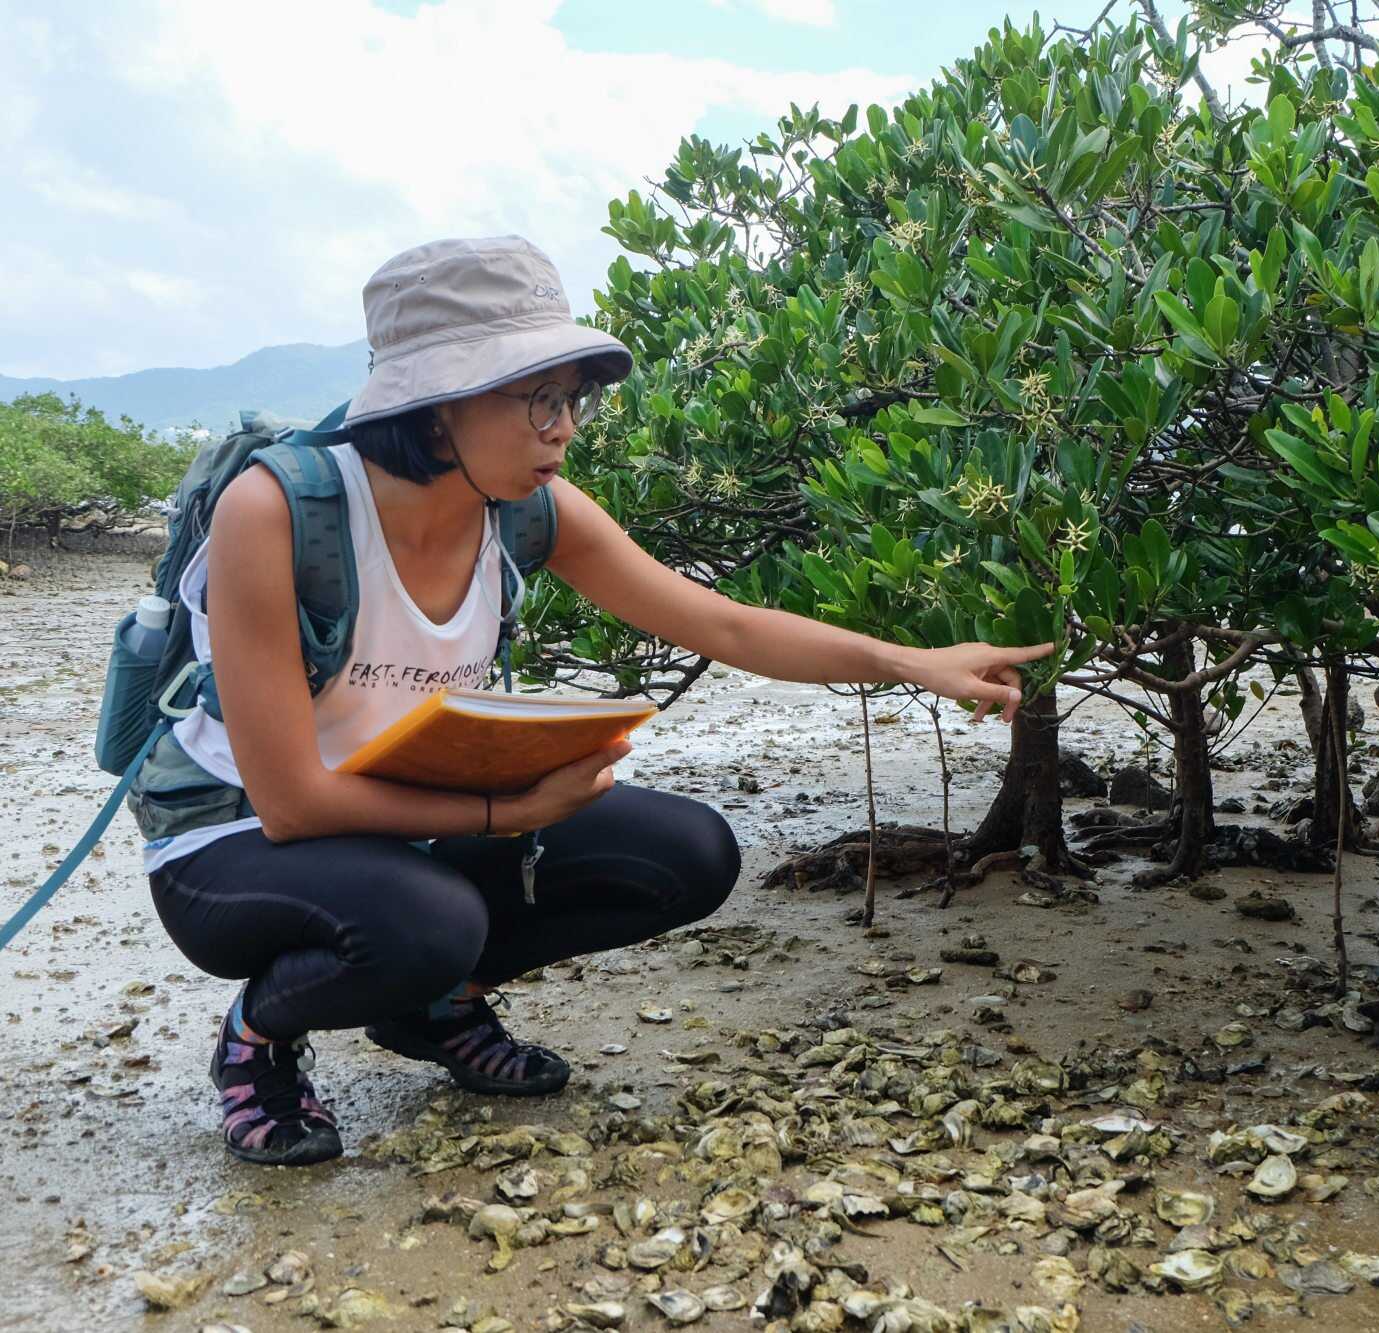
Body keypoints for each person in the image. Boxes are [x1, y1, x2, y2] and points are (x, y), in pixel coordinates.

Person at [143, 236, 1053, 1166]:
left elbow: (727, 628)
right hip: (237, 836)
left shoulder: (530, 511)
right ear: (434, 406)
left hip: (400, 819)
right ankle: (258, 1037)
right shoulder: (277, 512)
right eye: (538, 396)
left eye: (572, 397)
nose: (564, 427)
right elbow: (295, 803)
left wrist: (913, 661)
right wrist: (511, 810)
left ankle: (435, 1004)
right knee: (427, 921)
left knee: (687, 853)